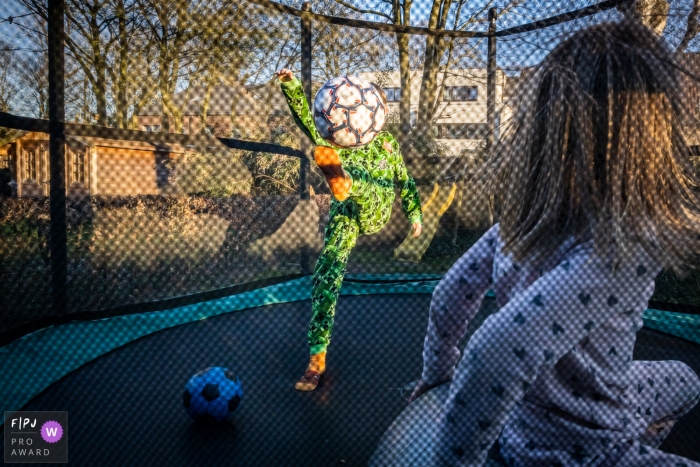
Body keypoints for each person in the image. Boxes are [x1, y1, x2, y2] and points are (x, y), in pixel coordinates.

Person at [409, 19, 700, 467]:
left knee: (686, 381)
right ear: (650, 140)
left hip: (529, 417)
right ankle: (629, 447)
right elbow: (494, 355)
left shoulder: (519, 224)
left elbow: (449, 296)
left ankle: (639, 435)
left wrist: (437, 375)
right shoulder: (627, 246)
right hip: (581, 445)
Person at [275, 69, 424, 391]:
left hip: (376, 207)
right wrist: (291, 86)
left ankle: (346, 183)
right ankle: (316, 360)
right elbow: (307, 118)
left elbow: (404, 180)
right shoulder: (337, 139)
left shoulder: (387, 143)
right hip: (344, 213)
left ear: (377, 112)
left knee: (363, 189)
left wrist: (415, 214)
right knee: (326, 273)